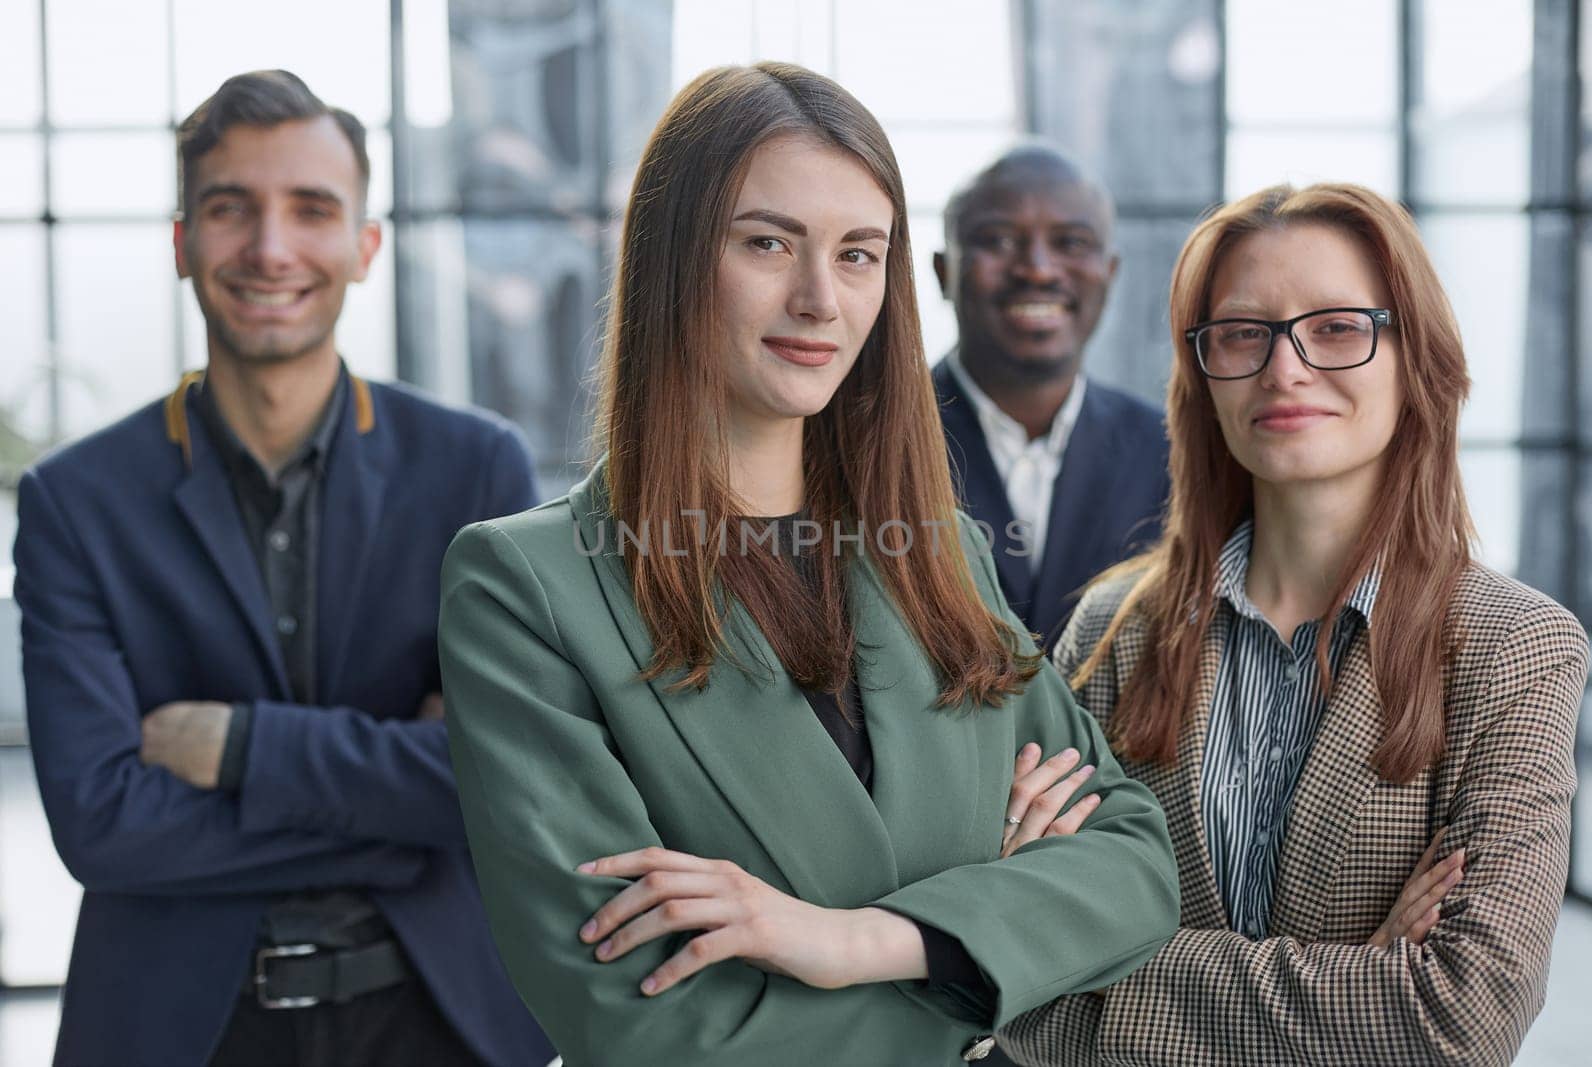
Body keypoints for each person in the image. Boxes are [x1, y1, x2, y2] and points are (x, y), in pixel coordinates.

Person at [438, 62, 1180, 1067]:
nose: (819, 298)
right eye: (766, 242)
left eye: (859, 253)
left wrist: (845, 942)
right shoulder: (529, 585)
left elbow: (1135, 864)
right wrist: (985, 964)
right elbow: (642, 1018)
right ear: (671, 258)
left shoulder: (942, 557)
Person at [13, 70, 553, 1066]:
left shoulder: (475, 467)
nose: (270, 248)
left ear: (365, 245)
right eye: (230, 209)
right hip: (179, 1029)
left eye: (311, 210)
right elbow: (102, 824)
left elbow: (509, 781)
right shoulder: (74, 503)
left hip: (444, 1020)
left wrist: (242, 749)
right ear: (182, 243)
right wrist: (403, 814)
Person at [998, 183, 1588, 1067]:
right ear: (1203, 374)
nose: (1285, 368)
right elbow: (1020, 989)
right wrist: (1362, 983)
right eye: (1244, 333)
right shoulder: (1112, 632)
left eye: (1338, 327)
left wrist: (1098, 972)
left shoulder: (1514, 649)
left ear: (1413, 356)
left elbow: (1464, 1018)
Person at [931, 145, 1168, 650]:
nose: (1037, 270)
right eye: (997, 240)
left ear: (1110, 273)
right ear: (942, 272)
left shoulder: (1169, 453)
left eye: (1070, 242)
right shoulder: (867, 438)